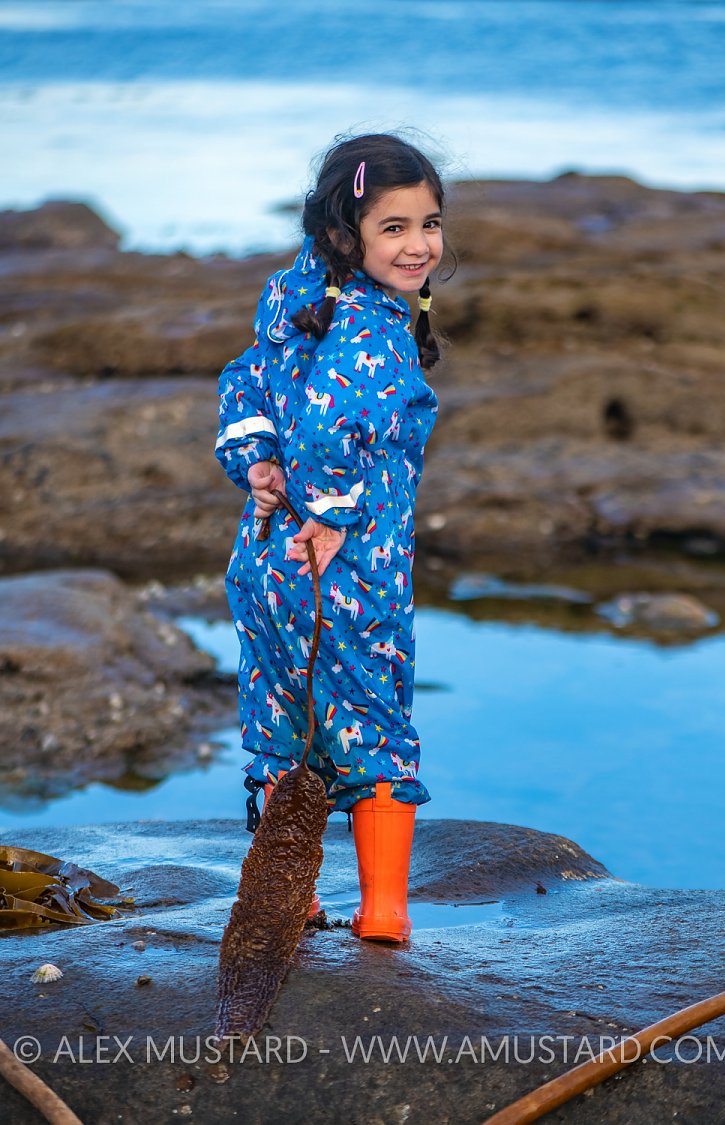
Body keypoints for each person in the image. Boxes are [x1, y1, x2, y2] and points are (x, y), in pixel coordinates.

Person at [215, 133, 449, 942]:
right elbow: (329, 421)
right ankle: (383, 908)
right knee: (370, 718)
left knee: (283, 712)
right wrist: (334, 512)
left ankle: (291, 898)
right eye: (395, 227)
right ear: (347, 235)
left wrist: (255, 463)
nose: (420, 244)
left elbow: (242, 381)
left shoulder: (289, 302)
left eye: (429, 222)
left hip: (269, 555)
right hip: (348, 559)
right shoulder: (372, 327)